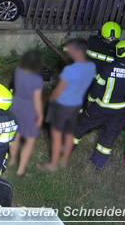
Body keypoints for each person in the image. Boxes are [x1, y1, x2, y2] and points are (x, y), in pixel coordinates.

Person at [73, 39, 125, 169]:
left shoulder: (109, 68)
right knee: (109, 137)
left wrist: (90, 100)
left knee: (81, 125)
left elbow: (97, 88)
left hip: (100, 108)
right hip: (120, 112)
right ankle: (98, 164)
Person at [36, 39, 96, 172]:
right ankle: (63, 160)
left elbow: (59, 90)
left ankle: (53, 163)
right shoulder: (91, 67)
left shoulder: (70, 70)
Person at [7, 50, 45, 177]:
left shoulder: (18, 71)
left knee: (15, 135)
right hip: (30, 108)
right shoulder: (37, 79)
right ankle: (20, 170)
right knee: (30, 140)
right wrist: (40, 115)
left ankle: (12, 160)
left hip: (16, 103)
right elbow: (37, 99)